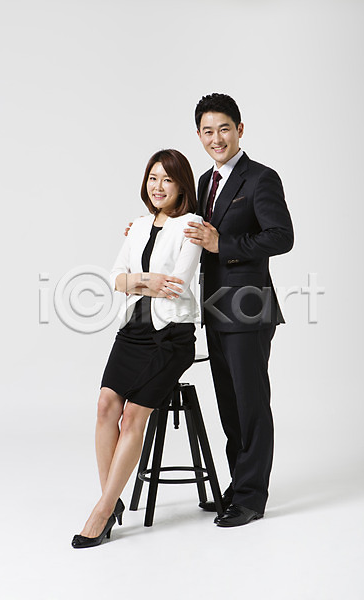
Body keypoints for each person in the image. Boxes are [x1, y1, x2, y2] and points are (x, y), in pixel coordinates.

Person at [71, 149, 203, 548]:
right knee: (105, 406)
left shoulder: (192, 225)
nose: (158, 186)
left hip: (170, 336)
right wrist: (146, 281)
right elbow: (115, 277)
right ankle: (111, 502)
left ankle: (101, 511)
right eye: (153, 178)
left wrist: (135, 281)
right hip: (133, 331)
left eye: (167, 179)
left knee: (132, 415)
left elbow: (176, 285)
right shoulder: (139, 226)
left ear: (181, 185)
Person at [183, 93, 294, 527]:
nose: (217, 138)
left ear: (240, 130)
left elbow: (281, 236)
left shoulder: (261, 178)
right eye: (208, 131)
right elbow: (190, 231)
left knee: (251, 405)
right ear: (199, 135)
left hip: (248, 310)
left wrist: (223, 244)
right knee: (230, 407)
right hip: (215, 309)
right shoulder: (204, 183)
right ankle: (238, 486)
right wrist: (146, 230)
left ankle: (250, 498)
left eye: (224, 129)